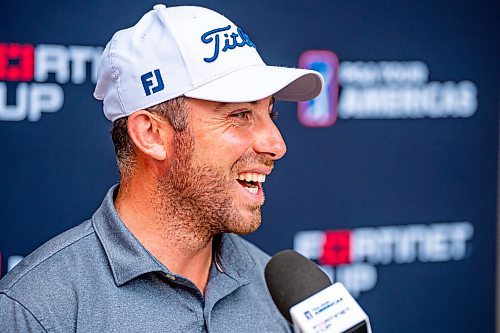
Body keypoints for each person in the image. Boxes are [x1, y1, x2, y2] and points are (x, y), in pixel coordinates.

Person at [0, 4, 323, 332]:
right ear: (151, 135)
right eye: (240, 115)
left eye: (272, 114)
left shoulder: (280, 294)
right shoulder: (37, 310)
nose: (276, 145)